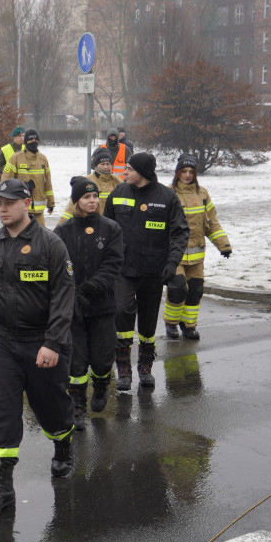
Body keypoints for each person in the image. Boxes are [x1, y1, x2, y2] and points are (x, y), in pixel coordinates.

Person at [0, 178, 75, 522]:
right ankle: (1, 487)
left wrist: (52, 343)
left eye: (10, 202)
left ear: (26, 203)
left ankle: (62, 444)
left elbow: (63, 297)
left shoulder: (50, 246)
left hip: (41, 341)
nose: (3, 208)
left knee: (51, 406)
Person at [104, 152, 188, 390]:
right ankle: (122, 366)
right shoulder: (118, 193)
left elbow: (180, 232)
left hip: (154, 270)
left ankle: (145, 366)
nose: (124, 172)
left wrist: (172, 263)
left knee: (148, 320)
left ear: (142, 172)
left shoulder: (167, 197)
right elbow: (105, 227)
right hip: (122, 269)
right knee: (122, 311)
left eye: (129, 169)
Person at [53, 177, 124, 430]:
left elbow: (113, 263)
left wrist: (91, 286)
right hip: (73, 308)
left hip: (102, 306)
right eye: (86, 197)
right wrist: (71, 292)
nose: (92, 201)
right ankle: (78, 404)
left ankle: (102, 385)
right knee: (76, 360)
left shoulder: (111, 229)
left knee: (103, 357)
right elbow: (57, 265)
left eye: (95, 197)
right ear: (76, 201)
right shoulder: (62, 231)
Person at [164, 154, 232, 341]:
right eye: (183, 171)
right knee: (178, 289)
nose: (187, 175)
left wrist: (223, 245)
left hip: (196, 255)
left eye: (191, 172)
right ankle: (171, 323)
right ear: (177, 173)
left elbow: (211, 222)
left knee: (195, 291)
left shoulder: (202, 194)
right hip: (174, 255)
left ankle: (188, 326)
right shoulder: (168, 193)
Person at [1, 129, 54, 226]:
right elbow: (6, 181)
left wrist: (51, 203)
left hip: (39, 211)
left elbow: (48, 183)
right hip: (21, 209)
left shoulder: (43, 159)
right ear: (26, 142)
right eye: (31, 140)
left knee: (41, 238)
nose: (34, 142)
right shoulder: (16, 158)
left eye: (36, 139)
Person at [56, 148, 123, 225]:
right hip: (90, 223)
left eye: (108, 164)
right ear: (96, 165)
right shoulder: (87, 181)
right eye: (102, 164)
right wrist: (59, 228)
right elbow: (71, 207)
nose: (105, 167)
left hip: (111, 225)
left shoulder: (117, 181)